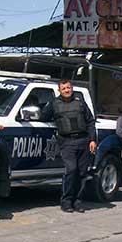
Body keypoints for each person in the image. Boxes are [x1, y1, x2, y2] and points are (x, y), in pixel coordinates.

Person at [42, 79, 97, 213]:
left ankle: (77, 202)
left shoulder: (80, 103)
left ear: (72, 88)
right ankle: (66, 202)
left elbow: (90, 122)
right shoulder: (54, 104)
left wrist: (92, 140)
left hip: (83, 141)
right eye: (64, 88)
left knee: (82, 173)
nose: (67, 90)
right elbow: (43, 117)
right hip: (66, 142)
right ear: (59, 90)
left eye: (68, 88)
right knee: (71, 170)